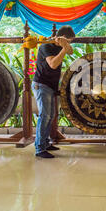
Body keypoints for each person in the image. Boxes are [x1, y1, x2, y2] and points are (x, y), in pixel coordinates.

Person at [32, 25, 75, 159]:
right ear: (62, 38)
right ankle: (39, 148)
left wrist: (64, 46)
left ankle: (45, 143)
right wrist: (63, 48)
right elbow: (53, 64)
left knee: (50, 116)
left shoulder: (58, 46)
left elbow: (71, 51)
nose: (69, 45)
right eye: (69, 41)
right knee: (44, 116)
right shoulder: (46, 46)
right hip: (41, 84)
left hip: (50, 86)